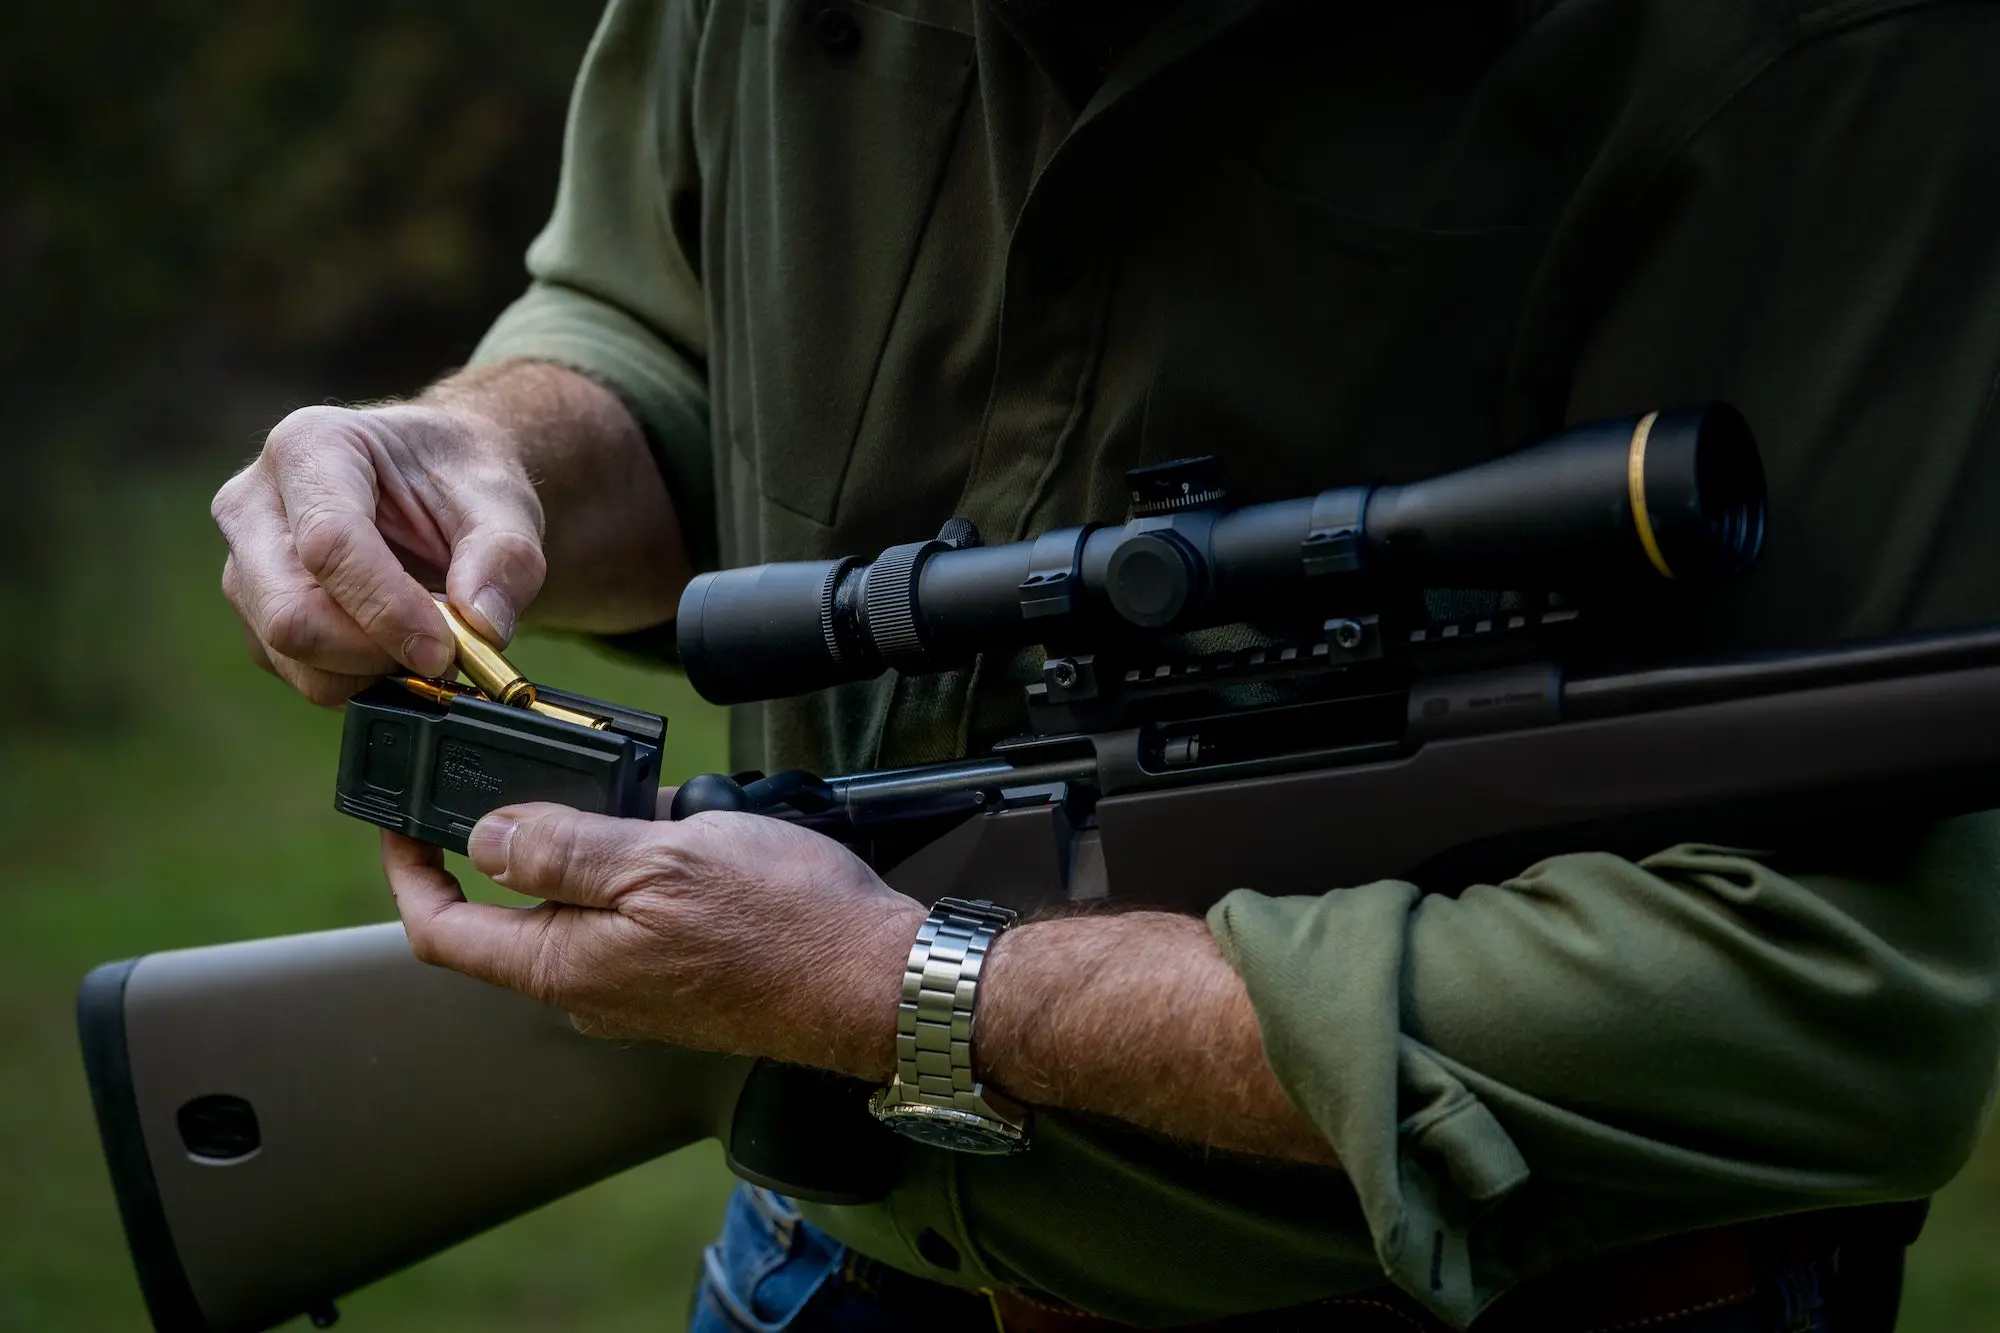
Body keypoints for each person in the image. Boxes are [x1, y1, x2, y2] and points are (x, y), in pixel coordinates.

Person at [210, 1, 2000, 1329]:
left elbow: (1841, 1005)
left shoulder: (1819, 57)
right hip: (821, 1273)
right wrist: (483, 454)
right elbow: (659, 320)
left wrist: (902, 983)